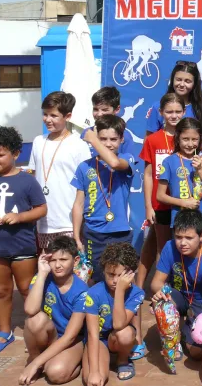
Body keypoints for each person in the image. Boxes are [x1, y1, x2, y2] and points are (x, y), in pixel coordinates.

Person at [0, 126, 47, 354]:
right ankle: (4, 331)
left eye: (0, 154)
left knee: (26, 289)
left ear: (16, 154)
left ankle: (36, 329)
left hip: (22, 247)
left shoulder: (27, 181)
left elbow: (41, 209)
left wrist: (20, 217)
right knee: (1, 291)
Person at [134, 93, 184, 358]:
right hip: (162, 205)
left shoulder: (187, 135)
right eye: (169, 111)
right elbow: (147, 173)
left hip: (184, 205)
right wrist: (148, 206)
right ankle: (165, 306)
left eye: (178, 111)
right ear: (161, 112)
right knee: (162, 254)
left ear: (183, 111)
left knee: (185, 251)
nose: (174, 115)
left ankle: (182, 301)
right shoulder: (153, 139)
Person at [71, 115, 136, 285]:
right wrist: (77, 237)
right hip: (94, 233)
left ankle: (127, 311)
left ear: (122, 139)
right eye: (103, 139)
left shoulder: (126, 158)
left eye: (113, 139)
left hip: (119, 232)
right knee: (95, 279)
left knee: (123, 280)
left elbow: (114, 163)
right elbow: (78, 204)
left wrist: (93, 139)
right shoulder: (85, 167)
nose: (108, 143)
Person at [151, 209, 202, 360]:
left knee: (196, 351)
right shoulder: (169, 247)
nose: (182, 243)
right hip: (177, 295)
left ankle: (184, 332)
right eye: (178, 237)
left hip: (199, 302)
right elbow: (156, 283)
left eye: (189, 238)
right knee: (161, 304)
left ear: (201, 236)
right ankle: (172, 341)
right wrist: (161, 293)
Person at [19, 237, 88, 385]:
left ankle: (73, 360)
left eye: (63, 260)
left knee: (56, 374)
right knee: (34, 320)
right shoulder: (42, 278)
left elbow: (70, 336)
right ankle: (36, 357)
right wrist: (42, 274)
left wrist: (36, 363)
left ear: (75, 261)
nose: (57, 265)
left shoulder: (82, 291)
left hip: (73, 339)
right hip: (52, 335)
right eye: (53, 260)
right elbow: (30, 310)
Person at [29, 92, 92, 252]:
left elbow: (87, 184)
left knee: (69, 269)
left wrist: (82, 219)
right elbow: (32, 175)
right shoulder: (38, 141)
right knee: (47, 267)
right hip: (43, 222)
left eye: (54, 115)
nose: (47, 119)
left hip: (69, 222)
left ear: (68, 116)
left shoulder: (79, 144)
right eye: (45, 114)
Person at [83, 243, 144, 383]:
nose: (115, 280)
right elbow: (92, 334)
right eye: (110, 274)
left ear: (130, 274)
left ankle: (122, 360)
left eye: (120, 275)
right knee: (94, 379)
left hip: (117, 337)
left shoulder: (137, 294)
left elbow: (118, 324)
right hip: (98, 340)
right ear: (103, 271)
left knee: (126, 333)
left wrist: (120, 291)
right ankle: (91, 360)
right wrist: (93, 371)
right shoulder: (94, 293)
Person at [157, 117, 202, 234]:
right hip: (180, 218)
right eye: (185, 139)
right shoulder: (169, 161)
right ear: (178, 138)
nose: (190, 144)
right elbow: (160, 196)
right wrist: (184, 202)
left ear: (200, 139)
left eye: (194, 139)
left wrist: (200, 169)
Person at [145, 62, 202, 135]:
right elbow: (149, 138)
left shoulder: (201, 108)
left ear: (194, 84)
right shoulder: (158, 106)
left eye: (187, 81)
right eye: (178, 79)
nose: (182, 84)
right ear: (172, 80)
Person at [83, 86, 138, 158]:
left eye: (105, 110)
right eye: (96, 109)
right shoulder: (86, 133)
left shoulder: (125, 136)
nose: (99, 114)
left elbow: (128, 166)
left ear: (117, 109)